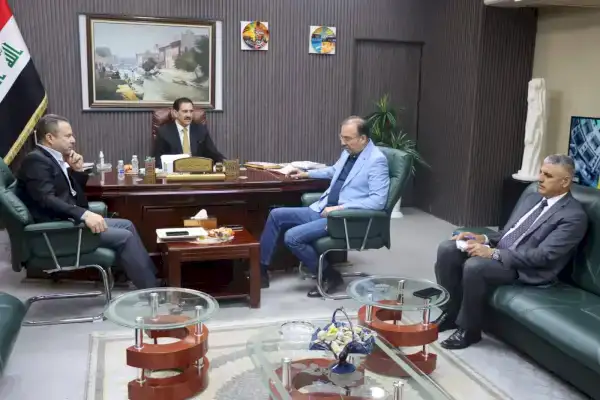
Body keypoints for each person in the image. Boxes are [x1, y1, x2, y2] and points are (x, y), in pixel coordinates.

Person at [434, 154, 588, 349]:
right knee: (448, 248)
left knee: (475, 266)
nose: (540, 178)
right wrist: (483, 239)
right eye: (541, 172)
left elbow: (544, 256)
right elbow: (509, 233)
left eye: (548, 175)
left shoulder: (573, 216)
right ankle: (450, 312)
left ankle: (469, 330)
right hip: (505, 252)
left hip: (528, 269)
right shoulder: (533, 198)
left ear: (565, 181)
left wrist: (493, 254)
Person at [16, 114, 158, 289]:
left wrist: (77, 170)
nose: (73, 140)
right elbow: (47, 200)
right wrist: (84, 214)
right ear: (50, 138)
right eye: (68, 136)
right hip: (56, 231)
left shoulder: (53, 158)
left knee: (127, 225)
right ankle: (152, 290)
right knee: (125, 237)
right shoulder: (36, 161)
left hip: (67, 221)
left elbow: (71, 194)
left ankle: (151, 278)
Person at [259, 116, 390, 297]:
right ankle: (261, 269)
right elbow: (334, 171)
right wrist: (306, 174)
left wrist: (340, 208)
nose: (343, 143)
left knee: (292, 237)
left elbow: (378, 201)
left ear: (363, 138)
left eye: (347, 138)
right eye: (341, 137)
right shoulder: (350, 152)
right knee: (276, 214)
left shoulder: (376, 161)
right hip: (322, 208)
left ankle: (330, 276)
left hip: (342, 218)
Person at [154, 97, 225, 168]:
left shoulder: (200, 130)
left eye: (191, 111)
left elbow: (214, 154)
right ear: (175, 113)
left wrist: (227, 164)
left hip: (197, 171)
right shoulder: (164, 132)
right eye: (185, 111)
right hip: (174, 172)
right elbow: (157, 160)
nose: (189, 115)